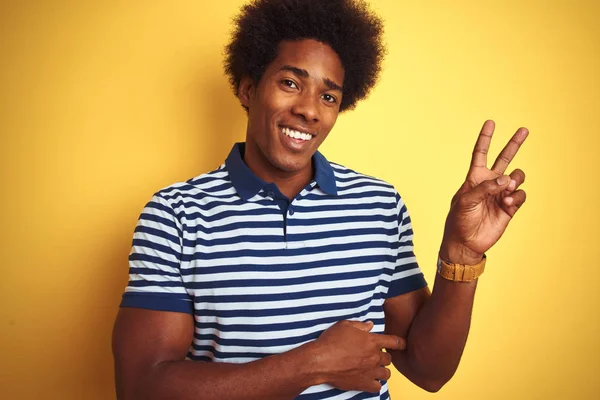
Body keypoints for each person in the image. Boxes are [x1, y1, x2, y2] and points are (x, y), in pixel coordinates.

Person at [112, 0, 528, 399]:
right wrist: (312, 364)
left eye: (328, 96)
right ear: (248, 88)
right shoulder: (175, 215)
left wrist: (462, 254)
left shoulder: (378, 206)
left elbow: (428, 371)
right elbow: (142, 387)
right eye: (291, 83)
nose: (310, 110)